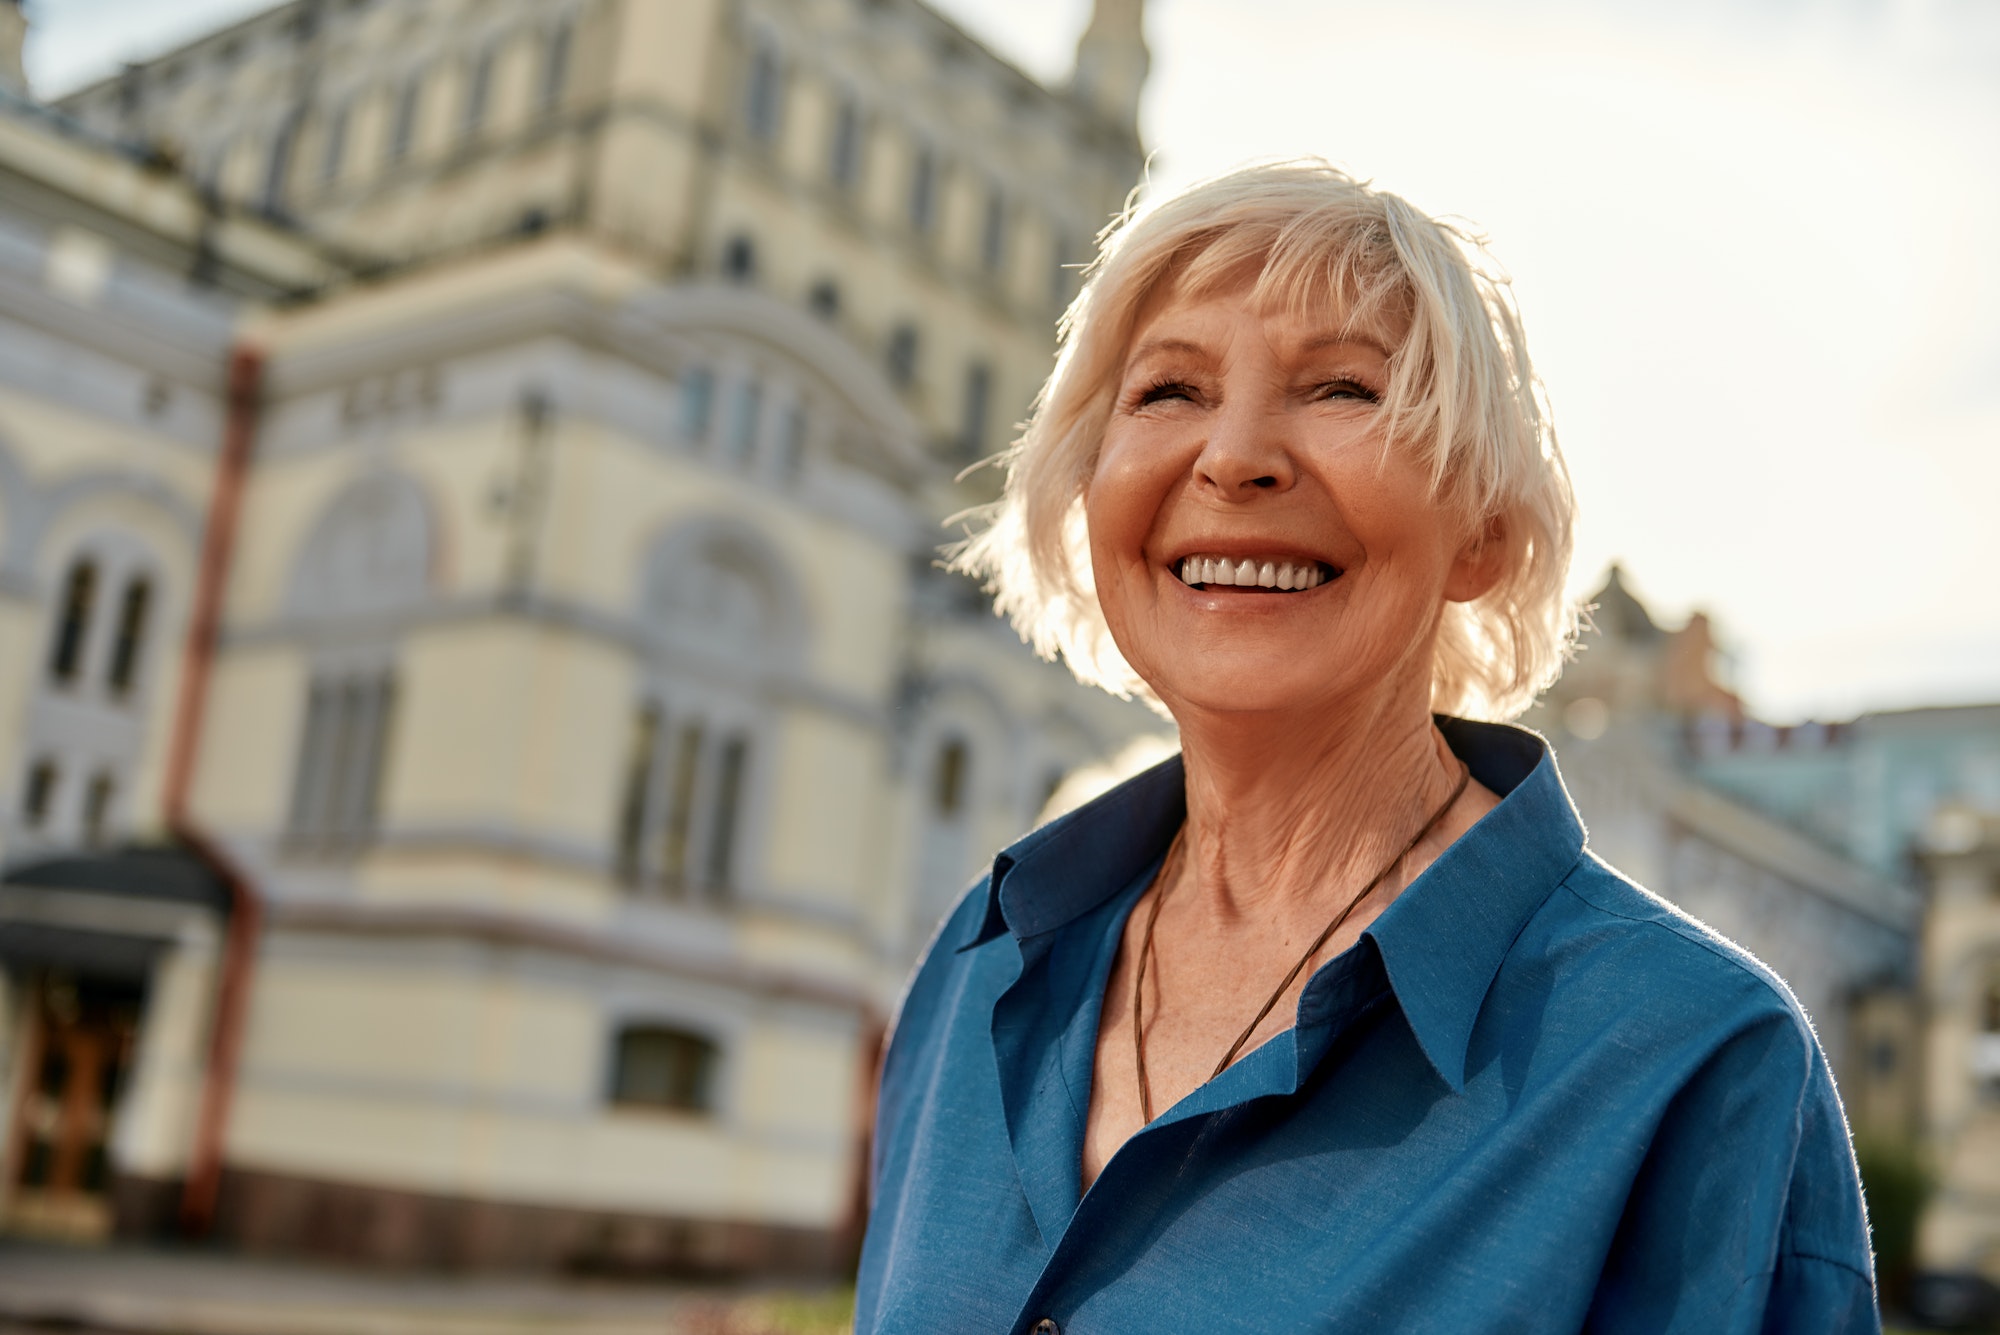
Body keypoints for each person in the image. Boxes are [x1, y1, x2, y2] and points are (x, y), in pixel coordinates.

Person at [855, 160, 1878, 1334]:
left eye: (1341, 388)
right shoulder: (977, 973)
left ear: (1481, 532)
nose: (1234, 455)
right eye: (1167, 392)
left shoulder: (1691, 1062)